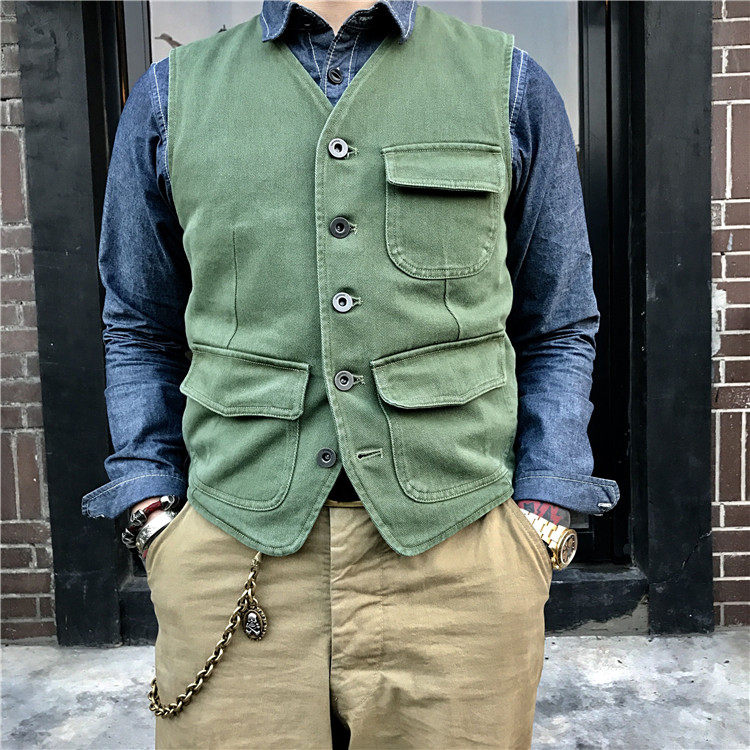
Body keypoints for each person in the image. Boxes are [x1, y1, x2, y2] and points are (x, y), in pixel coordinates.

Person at [82, 1, 620, 747]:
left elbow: (557, 323)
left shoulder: (510, 84)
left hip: (460, 552)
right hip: (233, 548)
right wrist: (152, 514)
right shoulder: (170, 96)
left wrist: (544, 514)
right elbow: (139, 326)